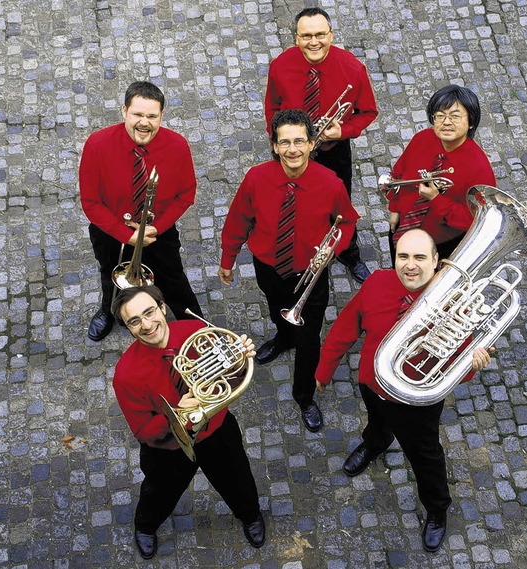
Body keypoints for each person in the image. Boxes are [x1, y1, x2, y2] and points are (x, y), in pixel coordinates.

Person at [315, 229, 492, 553]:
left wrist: (472, 363)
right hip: (373, 383)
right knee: (377, 423)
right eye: (403, 256)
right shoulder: (378, 283)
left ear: (437, 262)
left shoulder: (456, 304)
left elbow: (454, 368)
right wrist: (324, 369)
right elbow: (345, 326)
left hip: (417, 401)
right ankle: (375, 444)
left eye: (420, 257)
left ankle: (437, 509)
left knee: (425, 456)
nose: (410, 265)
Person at [218, 109, 360, 433]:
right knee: (275, 308)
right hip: (269, 266)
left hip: (310, 274)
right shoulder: (256, 178)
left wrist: (333, 249)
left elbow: (347, 221)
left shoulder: (330, 183)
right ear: (274, 145)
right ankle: (283, 338)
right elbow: (239, 220)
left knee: (310, 339)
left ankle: (304, 395)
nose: (292, 149)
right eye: (285, 142)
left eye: (299, 141)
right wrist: (228, 258)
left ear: (312, 144)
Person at [111, 285, 265, 559]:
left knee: (238, 479)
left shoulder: (196, 332)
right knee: (158, 493)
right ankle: (145, 526)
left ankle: (250, 515)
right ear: (128, 328)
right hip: (168, 449)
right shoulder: (125, 374)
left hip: (216, 432)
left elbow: (230, 382)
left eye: (149, 312)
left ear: (162, 307)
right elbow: (144, 432)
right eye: (134, 321)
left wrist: (240, 361)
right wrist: (175, 415)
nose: (146, 325)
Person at [80, 80, 202, 341]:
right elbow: (90, 202)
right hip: (111, 233)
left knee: (174, 279)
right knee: (110, 275)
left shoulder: (177, 145)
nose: (144, 123)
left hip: (158, 233)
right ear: (124, 111)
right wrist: (126, 235)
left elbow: (186, 194)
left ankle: (197, 328)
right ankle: (109, 312)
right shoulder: (97, 144)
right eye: (137, 114)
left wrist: (158, 227)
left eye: (151, 116)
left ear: (161, 116)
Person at [265, 7, 378, 284]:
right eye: (306, 36)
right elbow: (273, 107)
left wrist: (344, 130)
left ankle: (348, 253)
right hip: (292, 150)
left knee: (340, 205)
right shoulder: (280, 66)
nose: (314, 42)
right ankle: (299, 249)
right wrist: (279, 141)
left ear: (331, 35)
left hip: (332, 150)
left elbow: (368, 112)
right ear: (296, 38)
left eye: (320, 35)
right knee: (293, 201)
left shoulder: (352, 67)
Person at [384, 84, 496, 264]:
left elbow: (474, 220)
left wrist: (436, 200)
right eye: (440, 116)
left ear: (471, 122)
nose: (446, 122)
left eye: (455, 116)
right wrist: (394, 209)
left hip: (440, 244)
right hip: (402, 229)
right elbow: (399, 175)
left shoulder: (480, 169)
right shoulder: (422, 139)